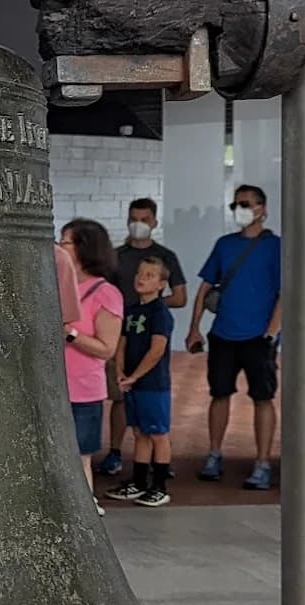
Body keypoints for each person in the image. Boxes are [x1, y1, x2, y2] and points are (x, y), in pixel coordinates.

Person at [185, 184, 282, 490]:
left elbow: (284, 292)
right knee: (219, 394)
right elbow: (205, 287)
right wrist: (194, 327)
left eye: (246, 204)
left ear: (262, 209)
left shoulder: (276, 247)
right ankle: (214, 454)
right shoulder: (224, 245)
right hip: (223, 334)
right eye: (235, 204)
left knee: (263, 398)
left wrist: (270, 333)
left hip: (258, 338)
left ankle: (262, 462)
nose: (240, 209)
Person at [98, 198, 187, 476]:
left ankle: (159, 465)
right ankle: (115, 452)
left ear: (154, 222)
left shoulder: (165, 257)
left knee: (152, 409)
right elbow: (103, 294)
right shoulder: (116, 257)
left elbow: (180, 297)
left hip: (146, 334)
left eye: (144, 220)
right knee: (121, 396)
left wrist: (147, 308)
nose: (138, 224)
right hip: (120, 333)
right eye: (133, 219)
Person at [60, 219, 123, 517]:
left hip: (83, 389)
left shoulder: (105, 293)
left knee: (80, 454)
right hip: (56, 387)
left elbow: (106, 348)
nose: (60, 247)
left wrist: (70, 334)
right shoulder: (60, 286)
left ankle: (84, 507)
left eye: (66, 242)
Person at [104, 258, 174, 507]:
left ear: (161, 284)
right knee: (139, 432)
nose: (141, 278)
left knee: (158, 433)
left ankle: (160, 486)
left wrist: (136, 375)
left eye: (149, 275)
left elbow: (157, 349)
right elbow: (122, 343)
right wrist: (121, 371)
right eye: (139, 273)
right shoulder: (132, 310)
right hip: (132, 382)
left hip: (153, 384)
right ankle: (139, 481)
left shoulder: (160, 313)